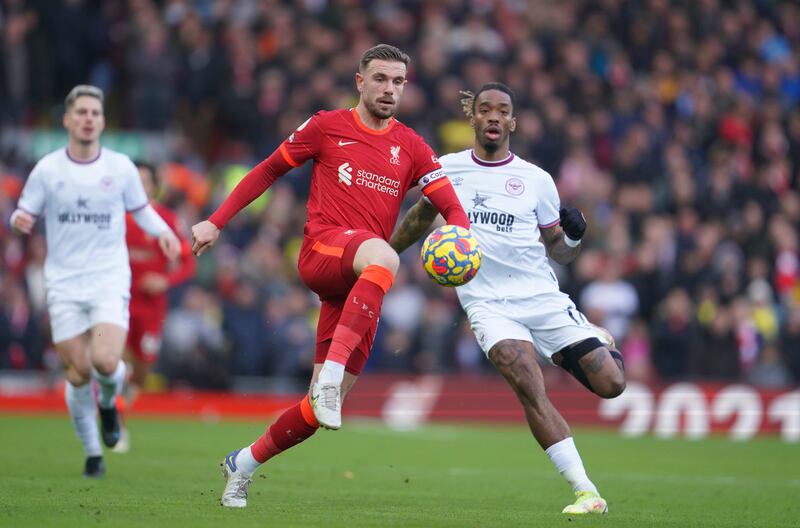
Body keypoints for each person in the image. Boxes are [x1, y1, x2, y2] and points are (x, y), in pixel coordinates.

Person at [191, 43, 470, 508]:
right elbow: (267, 171)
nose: (389, 89)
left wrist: (462, 237)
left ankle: (242, 464)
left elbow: (451, 206)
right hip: (324, 250)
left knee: (321, 409)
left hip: (359, 287)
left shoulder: (413, 146)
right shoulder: (327, 126)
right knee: (386, 256)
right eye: (380, 79)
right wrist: (216, 221)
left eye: (398, 81)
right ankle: (331, 373)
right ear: (360, 82)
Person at [390, 83, 626, 515]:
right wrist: (386, 256)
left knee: (612, 386)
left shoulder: (537, 180)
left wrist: (573, 233)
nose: (494, 117)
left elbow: (560, 251)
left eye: (502, 111)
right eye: (485, 110)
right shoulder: (446, 170)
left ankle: (597, 339)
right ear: (473, 119)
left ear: (513, 122)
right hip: (487, 303)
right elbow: (420, 216)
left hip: (540, 296)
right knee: (525, 379)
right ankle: (586, 491)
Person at [9, 85, 180, 478]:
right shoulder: (48, 169)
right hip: (65, 283)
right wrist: (18, 221)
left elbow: (142, 210)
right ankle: (92, 453)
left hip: (107, 278)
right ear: (68, 120)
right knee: (79, 372)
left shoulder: (119, 168)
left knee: (105, 360)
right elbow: (24, 213)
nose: (88, 119)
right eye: (81, 112)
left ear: (102, 122)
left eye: (95, 113)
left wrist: (163, 233)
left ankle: (108, 404)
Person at [112, 161, 196, 453]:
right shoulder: (113, 217)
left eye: (145, 181)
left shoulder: (167, 220)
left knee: (142, 370)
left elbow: (188, 261)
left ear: (153, 185)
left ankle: (117, 407)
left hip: (151, 307)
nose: (140, 187)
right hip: (118, 302)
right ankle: (116, 421)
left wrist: (165, 280)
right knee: (116, 364)